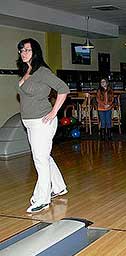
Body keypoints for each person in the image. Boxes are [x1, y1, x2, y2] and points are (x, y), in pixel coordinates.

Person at [16, 38, 70, 213]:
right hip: (30, 123)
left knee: (39, 159)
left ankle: (42, 199)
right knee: (44, 156)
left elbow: (63, 89)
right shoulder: (28, 71)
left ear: (35, 52)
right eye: (21, 51)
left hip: (42, 122)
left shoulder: (42, 72)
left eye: (27, 50)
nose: (24, 53)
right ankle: (59, 187)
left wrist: (54, 112)